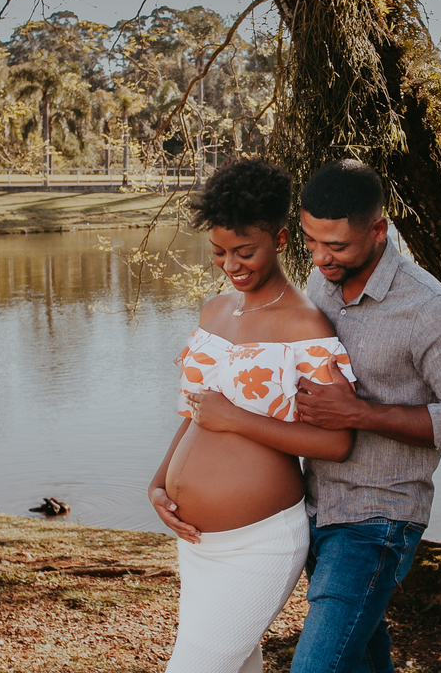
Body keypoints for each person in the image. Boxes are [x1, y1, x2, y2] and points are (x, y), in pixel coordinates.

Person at [191, 158, 441, 673]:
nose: (321, 257)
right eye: (310, 241)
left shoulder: (430, 311)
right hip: (316, 506)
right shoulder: (323, 287)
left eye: (336, 246)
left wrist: (363, 413)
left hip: (379, 519)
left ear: (378, 230)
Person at [149, 157, 357, 673]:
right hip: (197, 545)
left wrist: (236, 420)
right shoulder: (215, 309)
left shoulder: (306, 325)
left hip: (259, 543)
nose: (231, 264)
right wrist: (158, 485)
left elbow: (338, 443)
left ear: (281, 241)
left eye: (245, 252)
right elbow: (196, 414)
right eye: (219, 252)